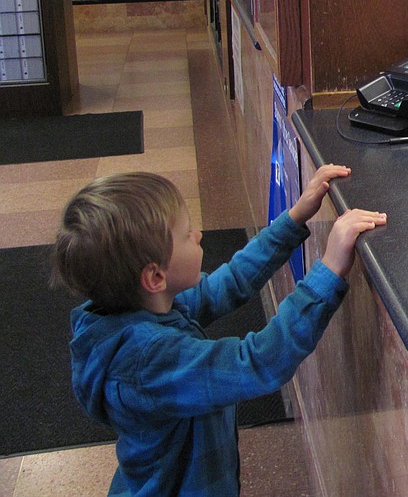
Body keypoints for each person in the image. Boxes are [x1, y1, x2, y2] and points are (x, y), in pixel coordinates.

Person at [50, 165, 387, 496]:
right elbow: (258, 362)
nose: (198, 235)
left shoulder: (142, 307)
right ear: (155, 277)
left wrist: (294, 218)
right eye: (186, 234)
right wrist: (327, 272)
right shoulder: (149, 362)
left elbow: (228, 283)